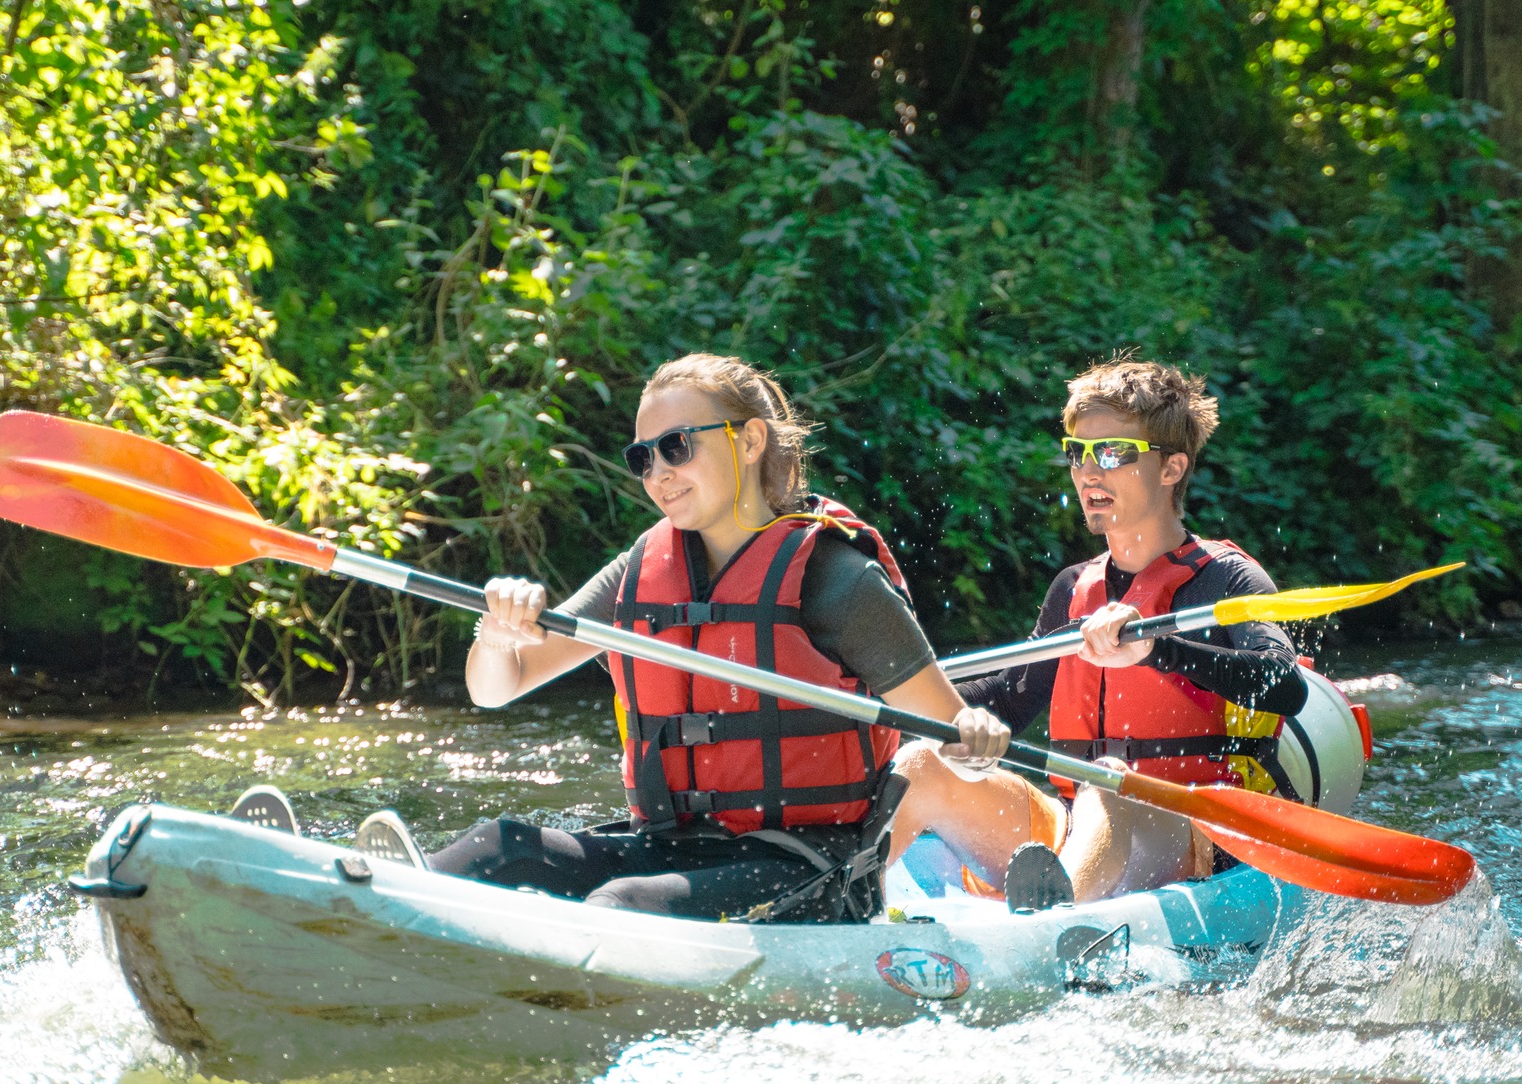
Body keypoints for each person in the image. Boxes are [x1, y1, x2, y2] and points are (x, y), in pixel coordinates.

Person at [357, 353, 1008, 922]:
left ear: (750, 441)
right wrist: (497, 636)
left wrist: (974, 738)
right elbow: (500, 688)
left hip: (808, 870)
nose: (658, 472)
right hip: (669, 846)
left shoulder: (836, 579)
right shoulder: (641, 570)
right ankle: (376, 912)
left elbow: (950, 733)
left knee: (620, 906)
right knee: (502, 846)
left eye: (678, 447)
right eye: (643, 457)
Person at [887, 359, 1308, 909]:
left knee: (1108, 780)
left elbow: (1283, 684)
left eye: (1111, 453)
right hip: (1080, 824)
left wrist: (1157, 649)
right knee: (921, 763)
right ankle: (828, 908)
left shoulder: (1226, 579)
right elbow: (1009, 700)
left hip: (1194, 834)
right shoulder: (1073, 588)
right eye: (1077, 453)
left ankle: (1045, 927)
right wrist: (889, 704)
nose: (1089, 473)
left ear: (1171, 468)